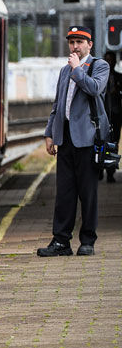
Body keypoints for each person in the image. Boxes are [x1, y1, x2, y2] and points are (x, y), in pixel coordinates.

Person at [38, 25, 109, 257]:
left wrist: (78, 69)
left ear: (90, 44)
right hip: (66, 138)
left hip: (88, 139)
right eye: (72, 42)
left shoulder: (99, 66)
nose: (75, 46)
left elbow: (95, 89)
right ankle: (61, 241)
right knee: (64, 193)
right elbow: (57, 105)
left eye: (80, 42)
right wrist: (49, 133)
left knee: (88, 193)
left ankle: (87, 241)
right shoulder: (64, 71)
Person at [103, 50, 121, 182]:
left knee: (114, 144)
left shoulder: (119, 77)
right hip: (102, 115)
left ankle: (111, 172)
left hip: (115, 115)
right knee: (100, 143)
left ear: (115, 62)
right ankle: (99, 169)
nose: (109, 63)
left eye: (111, 60)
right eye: (107, 60)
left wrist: (118, 90)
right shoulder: (99, 77)